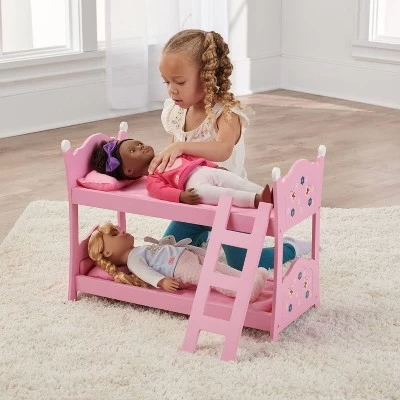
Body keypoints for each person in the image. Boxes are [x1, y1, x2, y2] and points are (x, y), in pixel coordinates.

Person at [147, 29, 311, 270]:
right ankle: (203, 232)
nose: (171, 89)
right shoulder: (176, 112)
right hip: (195, 201)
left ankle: (290, 246)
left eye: (179, 82)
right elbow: (178, 160)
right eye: (166, 82)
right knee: (165, 253)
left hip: (233, 205)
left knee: (243, 264)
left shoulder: (225, 114)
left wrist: (180, 146)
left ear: (206, 77)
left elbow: (222, 149)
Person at [88, 223, 268, 302]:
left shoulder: (138, 250)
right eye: (114, 234)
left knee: (218, 267)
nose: (121, 231)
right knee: (210, 276)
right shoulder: (133, 260)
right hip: (177, 267)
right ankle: (243, 291)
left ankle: (248, 278)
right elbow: (144, 272)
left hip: (184, 255)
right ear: (108, 252)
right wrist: (161, 281)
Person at [91, 138, 273, 208]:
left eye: (139, 144)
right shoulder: (153, 178)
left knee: (233, 179)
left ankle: (265, 192)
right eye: (133, 151)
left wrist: (213, 166)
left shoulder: (168, 153)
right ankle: (255, 200)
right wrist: (181, 196)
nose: (141, 146)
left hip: (204, 169)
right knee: (213, 194)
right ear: (129, 170)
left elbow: (190, 156)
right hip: (193, 184)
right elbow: (162, 191)